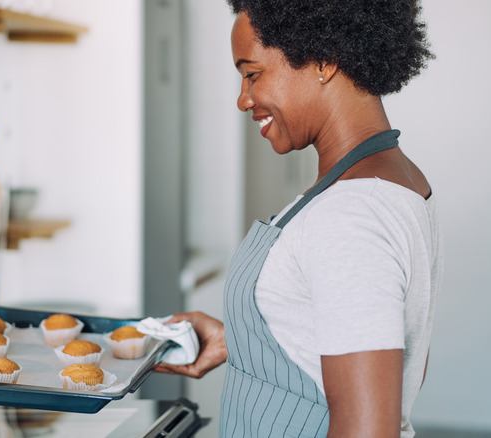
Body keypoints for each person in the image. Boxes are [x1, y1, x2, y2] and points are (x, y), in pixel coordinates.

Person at [155, 1, 441, 437]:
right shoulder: (394, 180)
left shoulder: (350, 213)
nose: (243, 99)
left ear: (323, 61)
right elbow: (364, 342)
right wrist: (246, 341)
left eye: (252, 74)